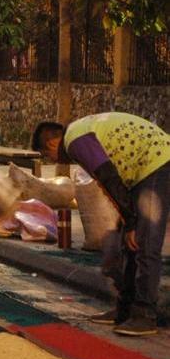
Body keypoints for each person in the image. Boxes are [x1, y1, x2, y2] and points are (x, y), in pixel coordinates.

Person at [32, 114, 170, 336]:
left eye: (47, 155)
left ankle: (145, 315)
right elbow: (108, 182)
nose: (52, 161)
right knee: (127, 243)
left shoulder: (76, 140)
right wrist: (127, 221)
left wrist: (133, 221)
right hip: (140, 171)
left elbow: (108, 177)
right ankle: (125, 310)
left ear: (52, 142)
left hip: (157, 163)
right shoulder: (80, 133)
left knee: (145, 244)